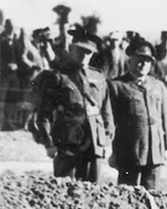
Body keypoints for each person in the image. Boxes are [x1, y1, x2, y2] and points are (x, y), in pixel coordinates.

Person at [32, 31, 115, 182]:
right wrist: (49, 143)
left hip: (94, 144)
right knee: (65, 192)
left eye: (88, 52)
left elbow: (106, 112)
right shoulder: (57, 77)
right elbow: (44, 114)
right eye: (80, 51)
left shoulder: (99, 77)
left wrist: (106, 140)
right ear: (71, 49)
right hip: (67, 144)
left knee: (93, 191)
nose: (84, 55)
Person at [107, 39, 167, 190]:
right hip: (129, 151)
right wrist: (113, 151)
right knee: (127, 193)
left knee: (152, 194)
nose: (143, 64)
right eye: (139, 60)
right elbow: (111, 120)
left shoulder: (158, 86)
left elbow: (165, 119)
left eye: (147, 61)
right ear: (130, 61)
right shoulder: (117, 86)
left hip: (154, 151)